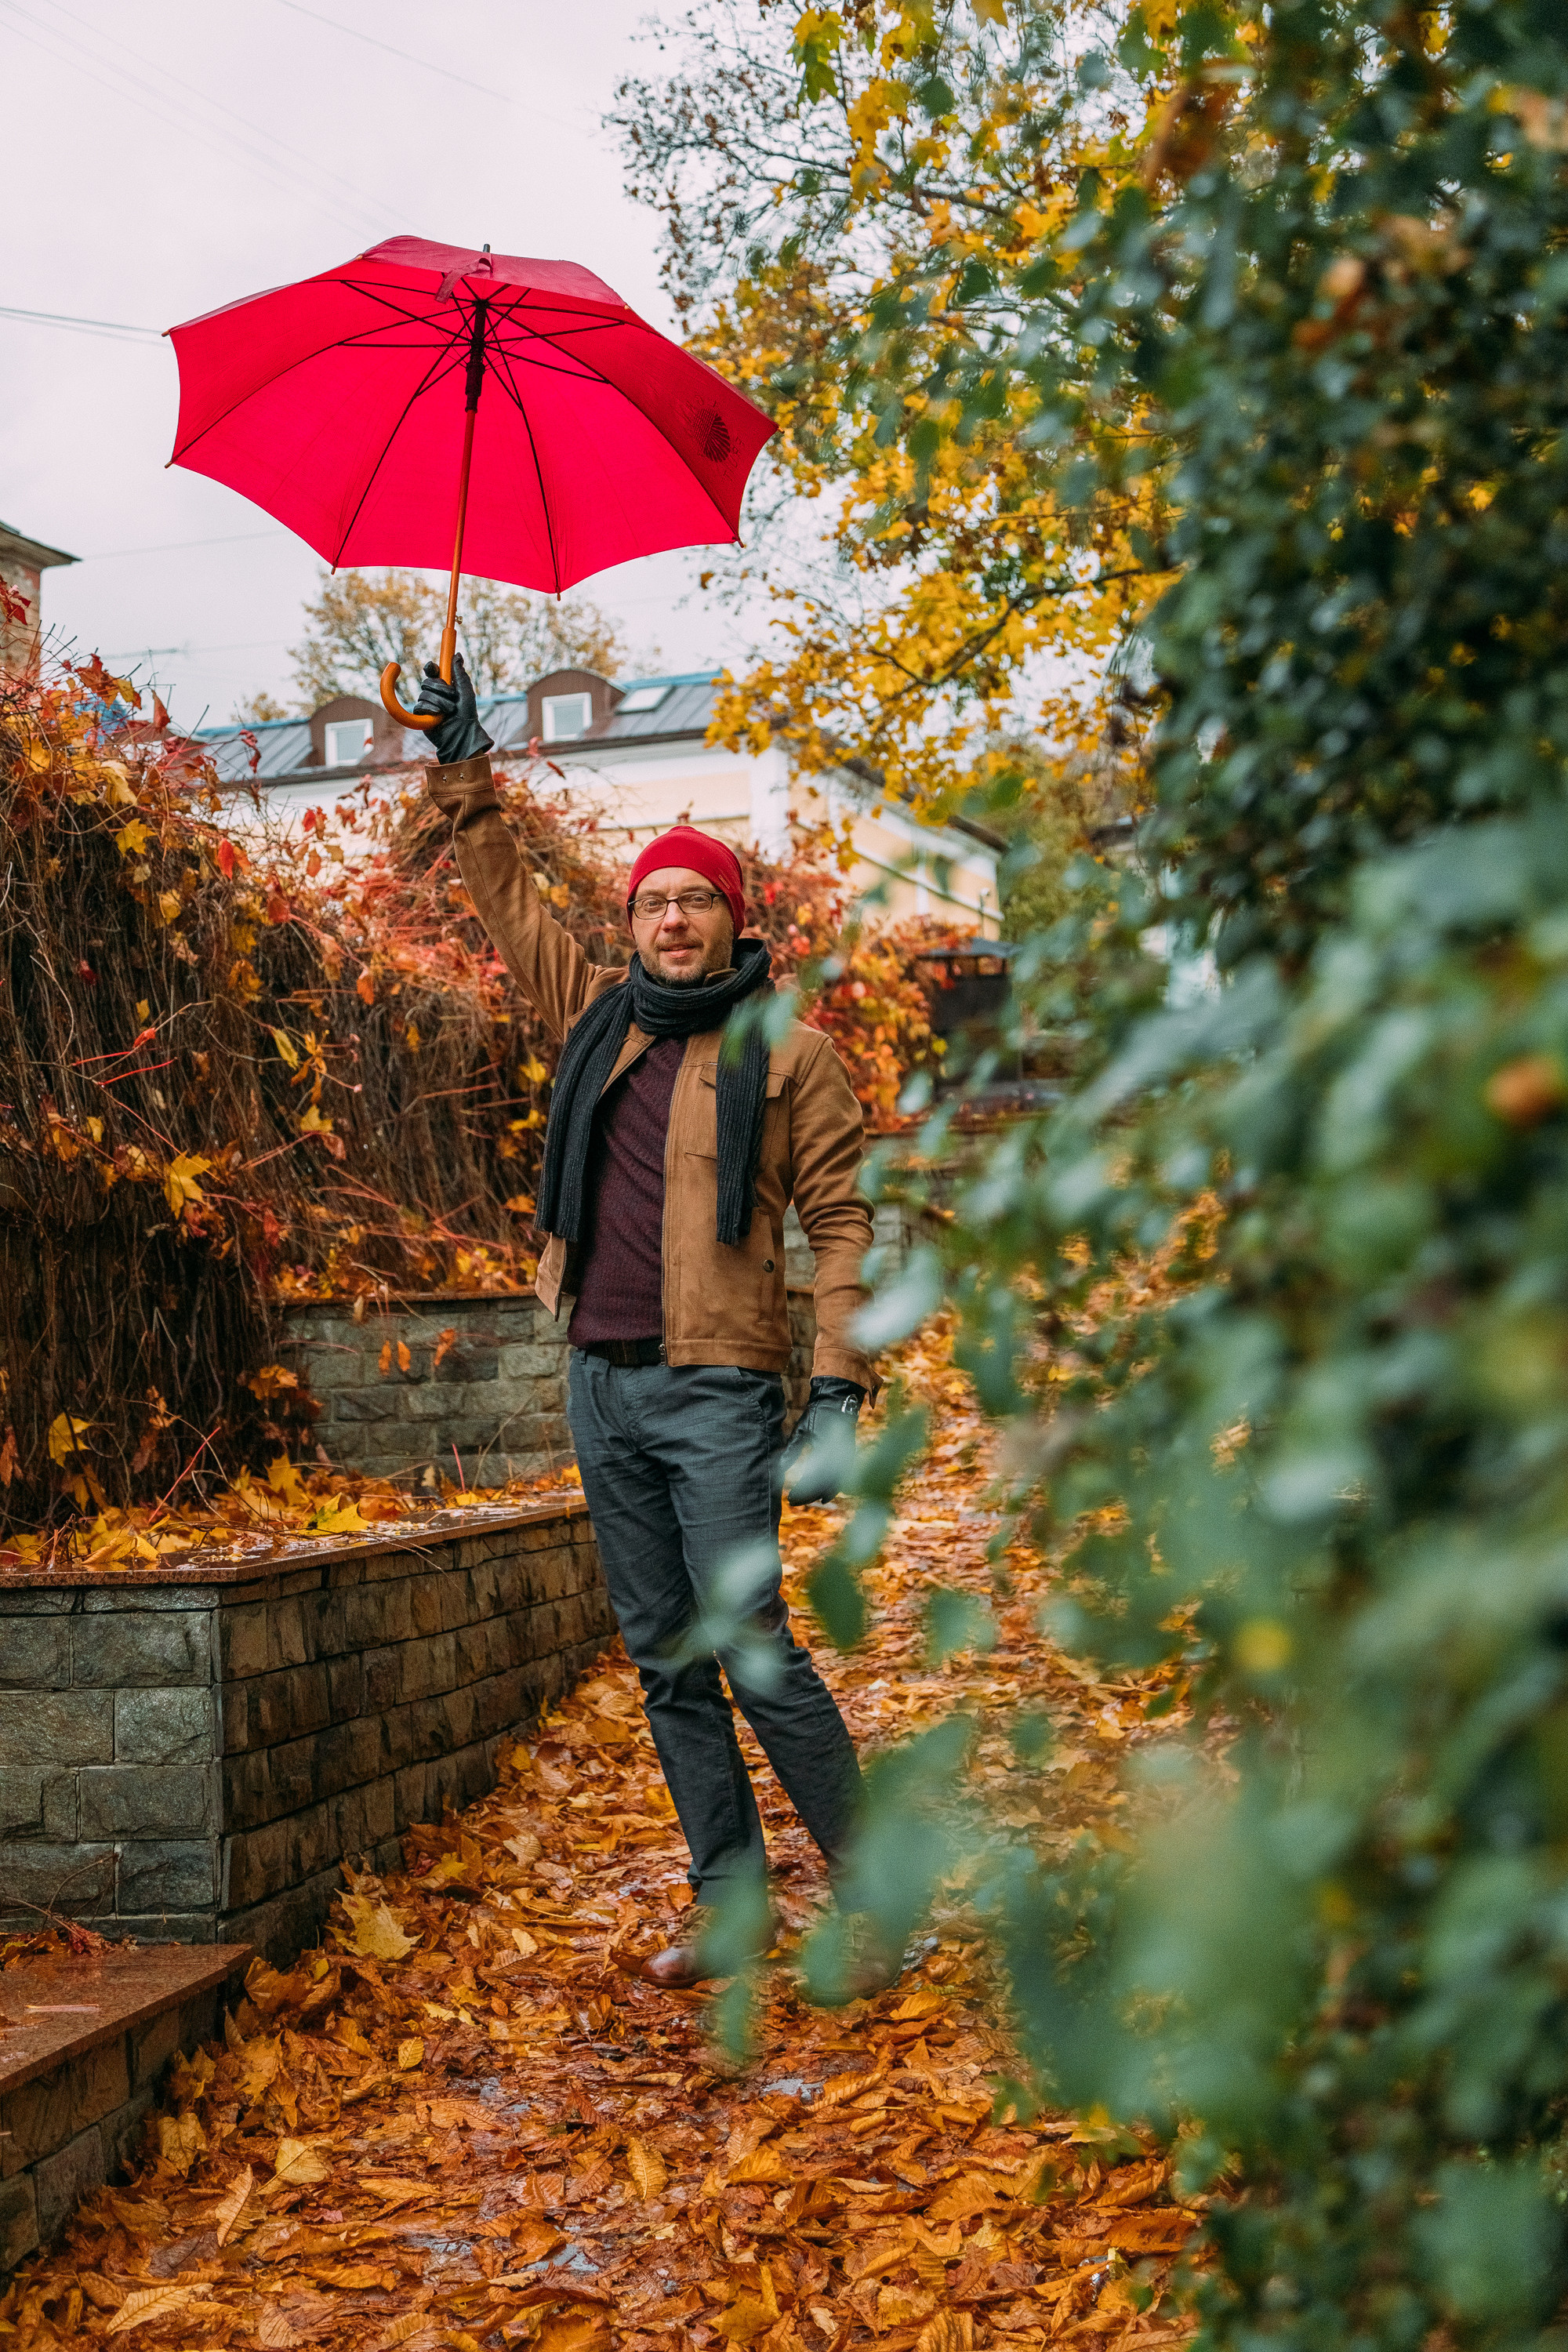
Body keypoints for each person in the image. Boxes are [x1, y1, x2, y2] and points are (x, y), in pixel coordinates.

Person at [417, 658, 890, 1991]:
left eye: (696, 900)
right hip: (602, 1382)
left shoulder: (786, 1051)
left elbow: (848, 1224)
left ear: (734, 922)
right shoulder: (599, 1018)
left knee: (748, 1645)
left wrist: (841, 1385)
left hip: (717, 1388)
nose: (672, 919)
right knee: (664, 1660)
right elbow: (507, 896)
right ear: (630, 924)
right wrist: (467, 767)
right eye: (653, 901)